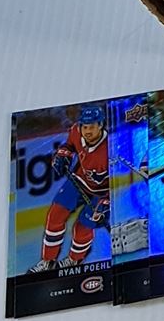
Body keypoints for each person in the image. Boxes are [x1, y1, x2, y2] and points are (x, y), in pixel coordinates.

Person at [31, 104, 110, 273]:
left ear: (101, 125)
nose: (87, 131)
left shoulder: (109, 149)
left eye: (92, 127)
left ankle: (74, 260)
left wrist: (106, 202)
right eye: (85, 127)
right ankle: (48, 261)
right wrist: (63, 154)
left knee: (82, 226)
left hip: (102, 193)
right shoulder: (75, 131)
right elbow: (69, 146)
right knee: (55, 215)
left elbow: (116, 181)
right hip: (78, 180)